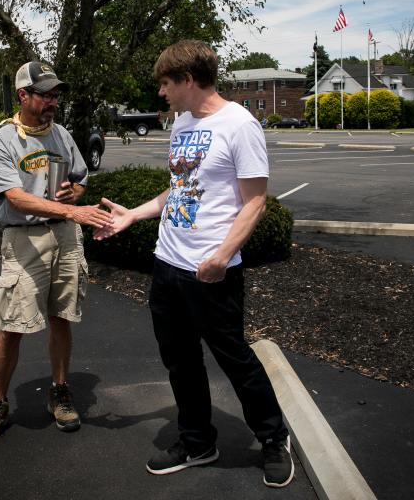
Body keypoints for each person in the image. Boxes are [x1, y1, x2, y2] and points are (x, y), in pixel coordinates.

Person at [93, 40, 294, 488]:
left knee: (236, 360)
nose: (161, 93)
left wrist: (221, 256)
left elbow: (255, 201)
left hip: (211, 272)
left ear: (187, 79)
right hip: (167, 265)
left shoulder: (240, 125)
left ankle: (273, 439)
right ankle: (198, 442)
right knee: (181, 363)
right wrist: (134, 214)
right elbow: (181, 187)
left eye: (166, 83)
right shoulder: (182, 122)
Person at [0, 61, 113, 450]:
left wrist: (74, 195)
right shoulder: (1, 141)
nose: (53, 101)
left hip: (65, 238)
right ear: (23, 96)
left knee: (61, 316)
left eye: (55, 95)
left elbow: (80, 179)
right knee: (14, 323)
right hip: (25, 242)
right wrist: (73, 210)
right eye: (45, 94)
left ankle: (60, 391)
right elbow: (13, 197)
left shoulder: (62, 134)